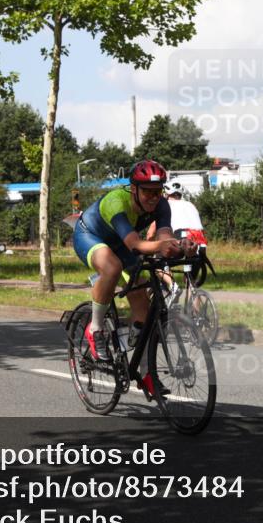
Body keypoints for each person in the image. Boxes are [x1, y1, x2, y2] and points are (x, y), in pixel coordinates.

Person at [72, 160, 181, 397]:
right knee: (111, 267)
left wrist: (181, 248)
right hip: (90, 235)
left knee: (143, 298)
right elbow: (136, 244)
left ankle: (145, 373)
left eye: (157, 191)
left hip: (120, 242)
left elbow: (164, 237)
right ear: (134, 189)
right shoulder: (117, 202)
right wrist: (162, 246)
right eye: (147, 192)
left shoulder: (162, 205)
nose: (153, 197)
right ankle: (96, 328)